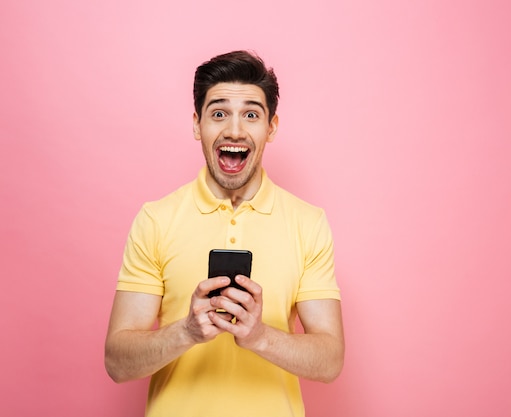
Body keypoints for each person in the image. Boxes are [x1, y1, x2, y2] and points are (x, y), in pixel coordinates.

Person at [105, 50, 345, 417]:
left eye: (251, 114)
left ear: (271, 127)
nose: (234, 130)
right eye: (219, 113)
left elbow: (329, 361)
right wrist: (186, 331)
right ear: (197, 124)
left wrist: (259, 336)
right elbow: (118, 363)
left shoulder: (307, 222)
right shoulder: (156, 219)